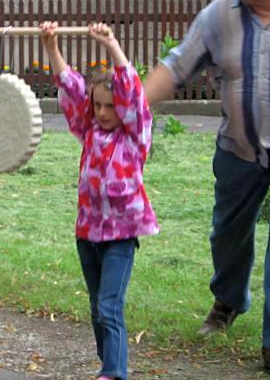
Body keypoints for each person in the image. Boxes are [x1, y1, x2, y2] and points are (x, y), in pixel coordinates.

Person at [144, 0, 270, 378]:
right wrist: (132, 106)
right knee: (227, 236)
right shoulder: (220, 15)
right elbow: (177, 65)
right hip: (238, 148)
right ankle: (229, 299)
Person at [40, 21, 159, 380]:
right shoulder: (88, 129)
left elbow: (133, 93)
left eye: (111, 106)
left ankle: (114, 371)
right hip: (87, 234)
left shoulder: (134, 136)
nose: (104, 112)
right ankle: (109, 363)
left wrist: (111, 45)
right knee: (97, 309)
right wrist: (51, 46)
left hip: (121, 237)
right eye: (99, 105)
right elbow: (71, 88)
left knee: (109, 307)